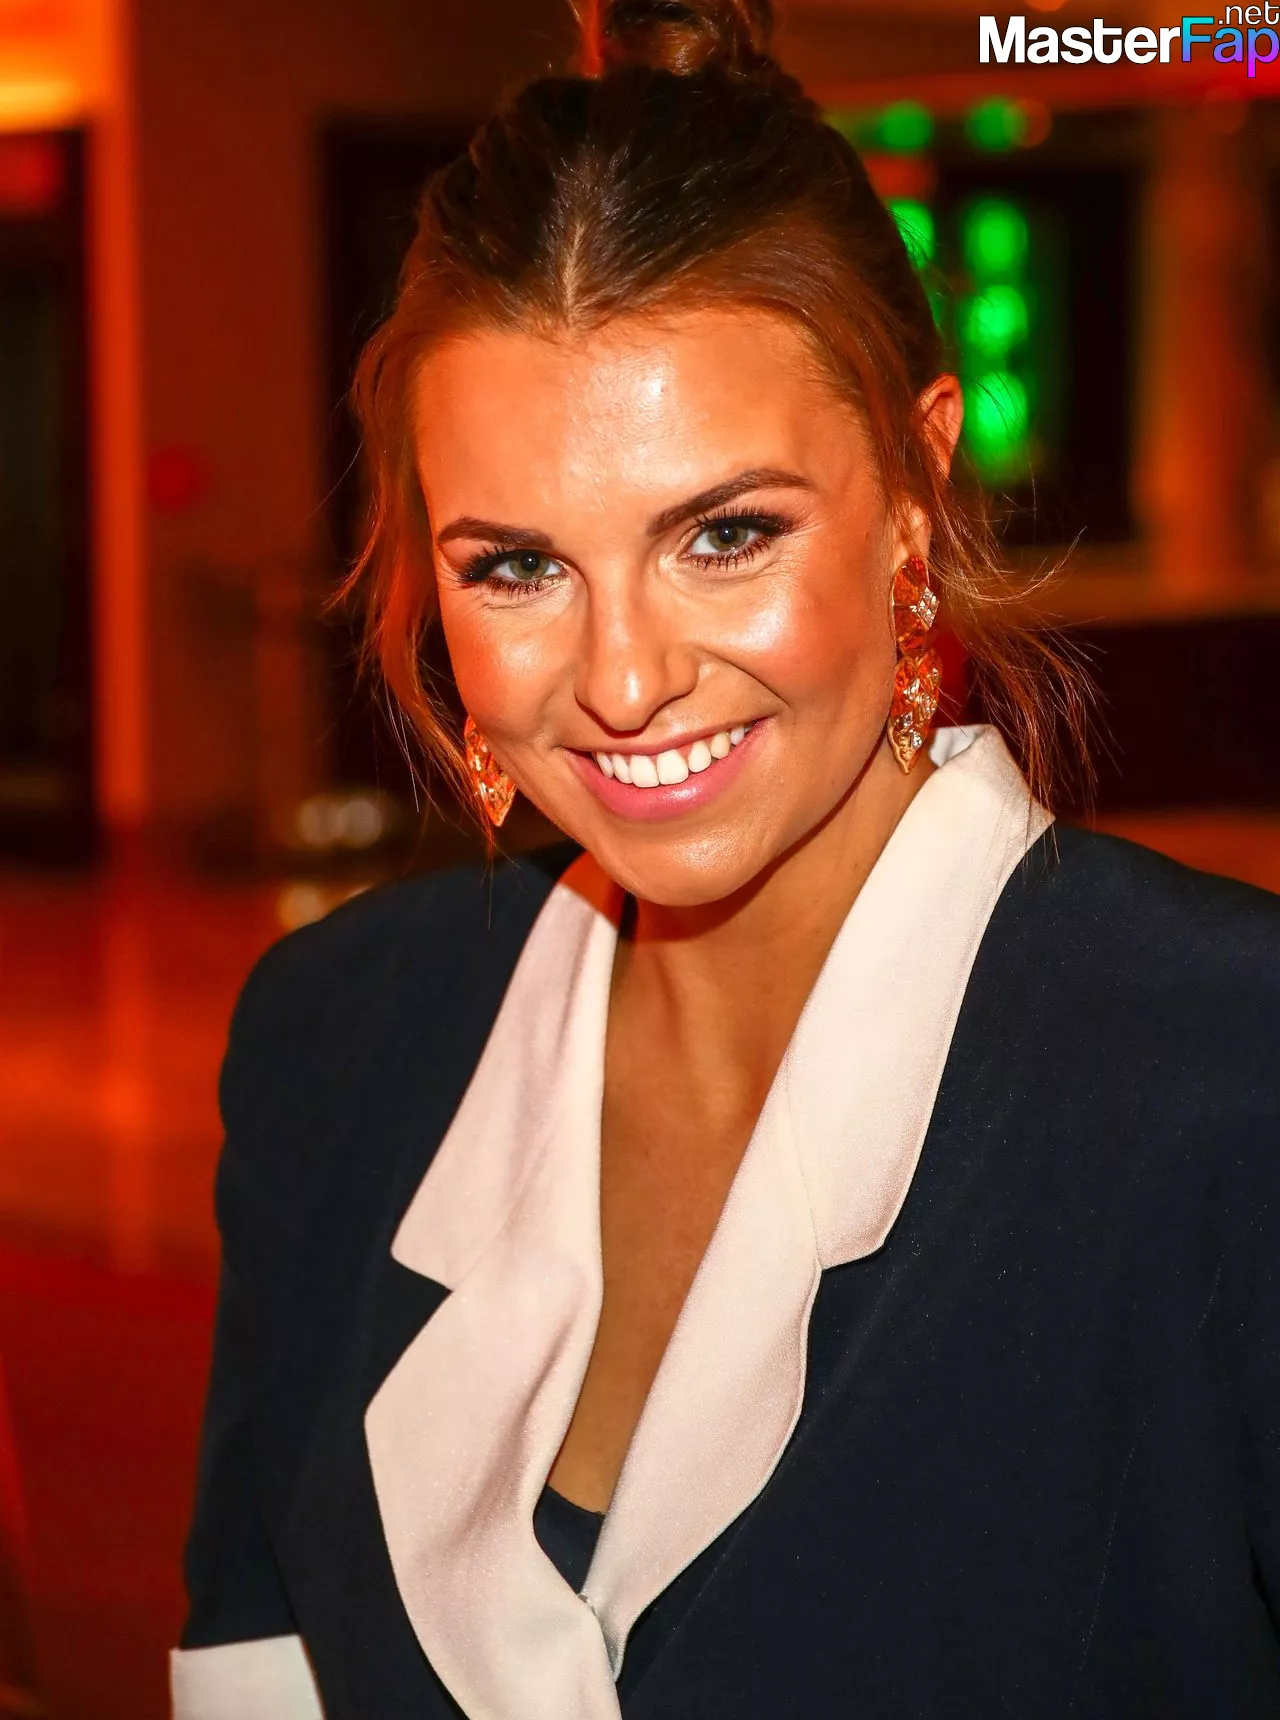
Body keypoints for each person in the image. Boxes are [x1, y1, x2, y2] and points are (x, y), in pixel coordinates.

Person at [170, 3, 1280, 1715]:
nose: (622, 681)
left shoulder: (1229, 1076)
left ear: (915, 482)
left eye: (725, 534)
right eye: (517, 567)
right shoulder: (332, 1047)